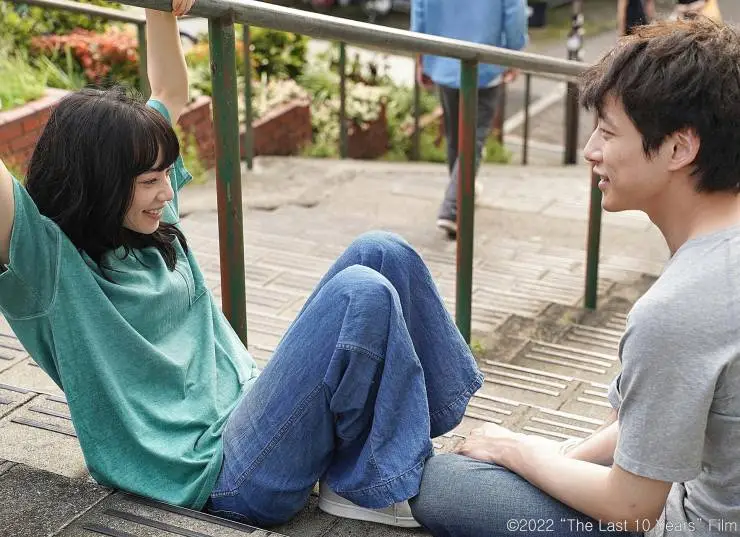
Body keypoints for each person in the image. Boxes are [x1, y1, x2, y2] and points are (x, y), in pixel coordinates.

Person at [0, 1, 484, 529]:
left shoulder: (148, 223)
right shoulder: (50, 266)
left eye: (166, 174)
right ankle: (370, 485)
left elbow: (169, 92)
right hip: (221, 476)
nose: (167, 191)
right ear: (98, 186)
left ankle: (396, 452)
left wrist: (161, 9)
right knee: (360, 292)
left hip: (257, 410)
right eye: (149, 182)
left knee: (383, 250)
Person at [409, 17, 740, 537]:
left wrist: (517, 451)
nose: (590, 151)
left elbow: (632, 508)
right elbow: (648, 423)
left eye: (607, 132)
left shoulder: (678, 308)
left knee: (445, 484)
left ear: (679, 148)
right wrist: (556, 457)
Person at [410, 0, 528, 239]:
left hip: (444, 57)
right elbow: (514, 12)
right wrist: (514, 52)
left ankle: (462, 192)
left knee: (455, 134)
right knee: (472, 138)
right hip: (485, 61)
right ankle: (453, 207)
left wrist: (421, 54)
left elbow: (420, 9)